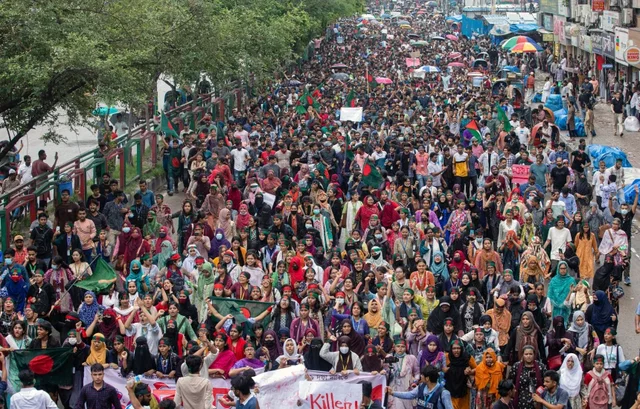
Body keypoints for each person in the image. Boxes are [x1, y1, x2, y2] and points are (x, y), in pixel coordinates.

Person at [386, 365, 455, 409]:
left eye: (422, 375)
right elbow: (410, 394)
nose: (420, 376)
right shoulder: (421, 386)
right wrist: (393, 393)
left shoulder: (443, 393)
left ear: (427, 378)